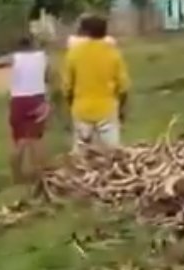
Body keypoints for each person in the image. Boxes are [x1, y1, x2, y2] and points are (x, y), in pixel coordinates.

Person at [62, 14, 130, 150]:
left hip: (81, 110)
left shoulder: (74, 53)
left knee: (81, 158)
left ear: (85, 32)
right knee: (112, 155)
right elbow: (123, 88)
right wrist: (121, 109)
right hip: (107, 110)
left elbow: (67, 87)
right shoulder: (113, 54)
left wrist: (72, 105)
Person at [8, 35, 50, 182]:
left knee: (19, 140)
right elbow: (48, 77)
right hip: (37, 99)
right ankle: (40, 176)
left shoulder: (13, 58)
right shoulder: (42, 57)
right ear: (33, 44)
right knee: (36, 139)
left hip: (18, 100)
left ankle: (16, 176)